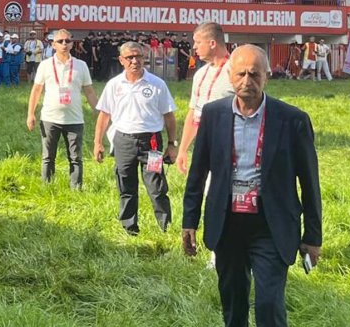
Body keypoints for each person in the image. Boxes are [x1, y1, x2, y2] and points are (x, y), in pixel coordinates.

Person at [182, 45, 323, 327]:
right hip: (227, 222)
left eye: (255, 74)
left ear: (267, 76)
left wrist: (313, 236)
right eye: (241, 74)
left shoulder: (292, 120)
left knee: (269, 304)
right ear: (231, 77)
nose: (248, 81)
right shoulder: (213, 115)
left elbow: (310, 182)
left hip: (271, 224)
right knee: (233, 303)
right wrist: (190, 221)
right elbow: (197, 173)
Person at [93, 41, 178, 235]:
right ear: (121, 60)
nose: (134, 61)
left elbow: (169, 117)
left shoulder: (157, 84)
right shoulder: (114, 85)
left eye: (138, 56)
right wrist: (98, 142)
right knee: (126, 186)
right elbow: (104, 116)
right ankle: (129, 229)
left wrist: (173, 144)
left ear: (144, 58)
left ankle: (166, 228)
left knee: (156, 187)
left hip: (152, 143)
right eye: (129, 57)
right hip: (123, 141)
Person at [26, 29, 97, 189]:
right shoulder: (45, 65)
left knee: (76, 158)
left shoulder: (81, 65)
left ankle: (76, 189)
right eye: (60, 41)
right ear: (53, 45)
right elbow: (36, 90)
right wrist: (31, 114)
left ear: (72, 44)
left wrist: (98, 112)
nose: (64, 44)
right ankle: (47, 187)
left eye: (67, 41)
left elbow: (90, 91)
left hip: (75, 119)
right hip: (50, 118)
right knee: (48, 157)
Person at [177, 22, 236, 176]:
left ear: (212, 43)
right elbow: (194, 112)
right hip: (206, 146)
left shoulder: (236, 71)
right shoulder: (200, 74)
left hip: (231, 148)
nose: (194, 47)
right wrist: (183, 150)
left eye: (197, 42)